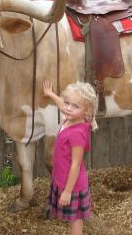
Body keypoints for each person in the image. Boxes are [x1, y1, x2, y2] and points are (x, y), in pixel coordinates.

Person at [43, 79, 98, 235]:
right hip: (62, 178)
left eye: (75, 106)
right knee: (73, 218)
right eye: (68, 103)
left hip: (72, 185)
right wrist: (50, 94)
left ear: (86, 110)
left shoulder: (77, 133)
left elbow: (75, 164)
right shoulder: (70, 117)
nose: (67, 108)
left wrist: (67, 192)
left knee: (75, 220)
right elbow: (63, 105)